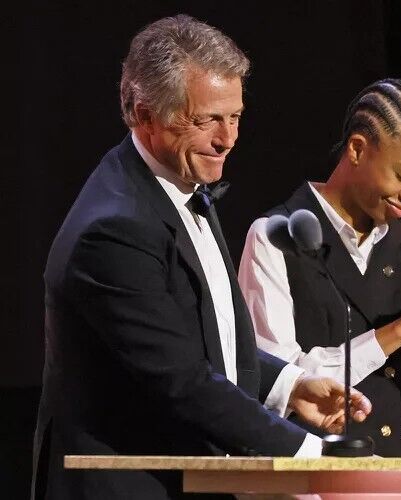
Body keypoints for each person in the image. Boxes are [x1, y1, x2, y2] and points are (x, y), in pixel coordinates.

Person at [32, 15, 373, 499]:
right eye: (206, 119)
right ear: (144, 114)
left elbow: (199, 332)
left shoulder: (178, 181)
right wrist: (315, 456)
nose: (227, 138)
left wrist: (288, 387)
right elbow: (180, 379)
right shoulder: (113, 230)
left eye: (234, 116)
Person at [238, 79, 401, 457]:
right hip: (310, 478)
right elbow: (278, 381)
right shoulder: (276, 236)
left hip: (395, 477)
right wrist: (399, 331)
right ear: (358, 149)